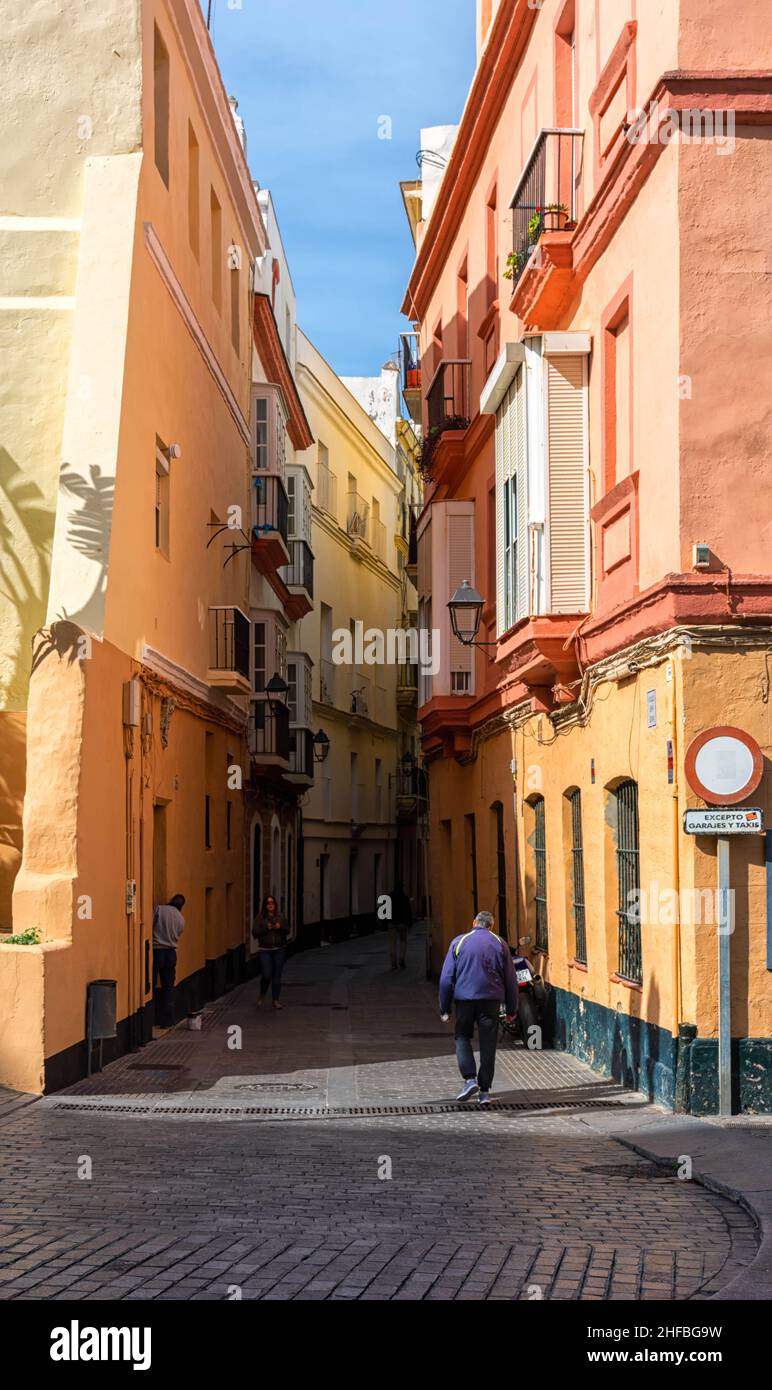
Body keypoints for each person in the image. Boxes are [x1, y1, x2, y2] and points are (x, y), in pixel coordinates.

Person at [438, 909, 518, 1105]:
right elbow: (510, 979)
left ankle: (469, 1079)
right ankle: (484, 1091)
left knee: (462, 1036)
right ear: (491, 925)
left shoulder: (459, 942)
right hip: (491, 1000)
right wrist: (511, 1009)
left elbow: (446, 978)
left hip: (464, 1000)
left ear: (474, 923)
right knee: (488, 1043)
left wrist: (444, 1007)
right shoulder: (500, 944)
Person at [152, 893, 186, 1031]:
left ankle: (151, 1018)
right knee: (168, 987)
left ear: (171, 900)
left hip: (156, 950)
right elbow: (178, 934)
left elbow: (150, 923)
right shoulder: (181, 919)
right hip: (171, 952)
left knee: (152, 984)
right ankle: (167, 1020)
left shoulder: (159, 909)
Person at [252, 894, 289, 1009]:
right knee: (267, 974)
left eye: (272, 903)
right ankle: (262, 994)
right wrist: (266, 928)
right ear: (265, 905)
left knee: (277, 976)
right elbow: (255, 933)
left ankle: (275, 1000)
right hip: (265, 950)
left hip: (279, 949)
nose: (270, 905)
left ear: (275, 905)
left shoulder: (280, 916)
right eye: (268, 903)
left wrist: (280, 927)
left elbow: (287, 930)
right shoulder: (260, 918)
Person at [388, 880, 413, 971]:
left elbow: (385, 911)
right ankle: (401, 959)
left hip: (392, 923)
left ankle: (393, 963)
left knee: (392, 943)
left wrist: (385, 922)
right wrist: (409, 923)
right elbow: (408, 911)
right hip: (402, 924)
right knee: (403, 941)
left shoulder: (389, 897)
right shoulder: (405, 898)